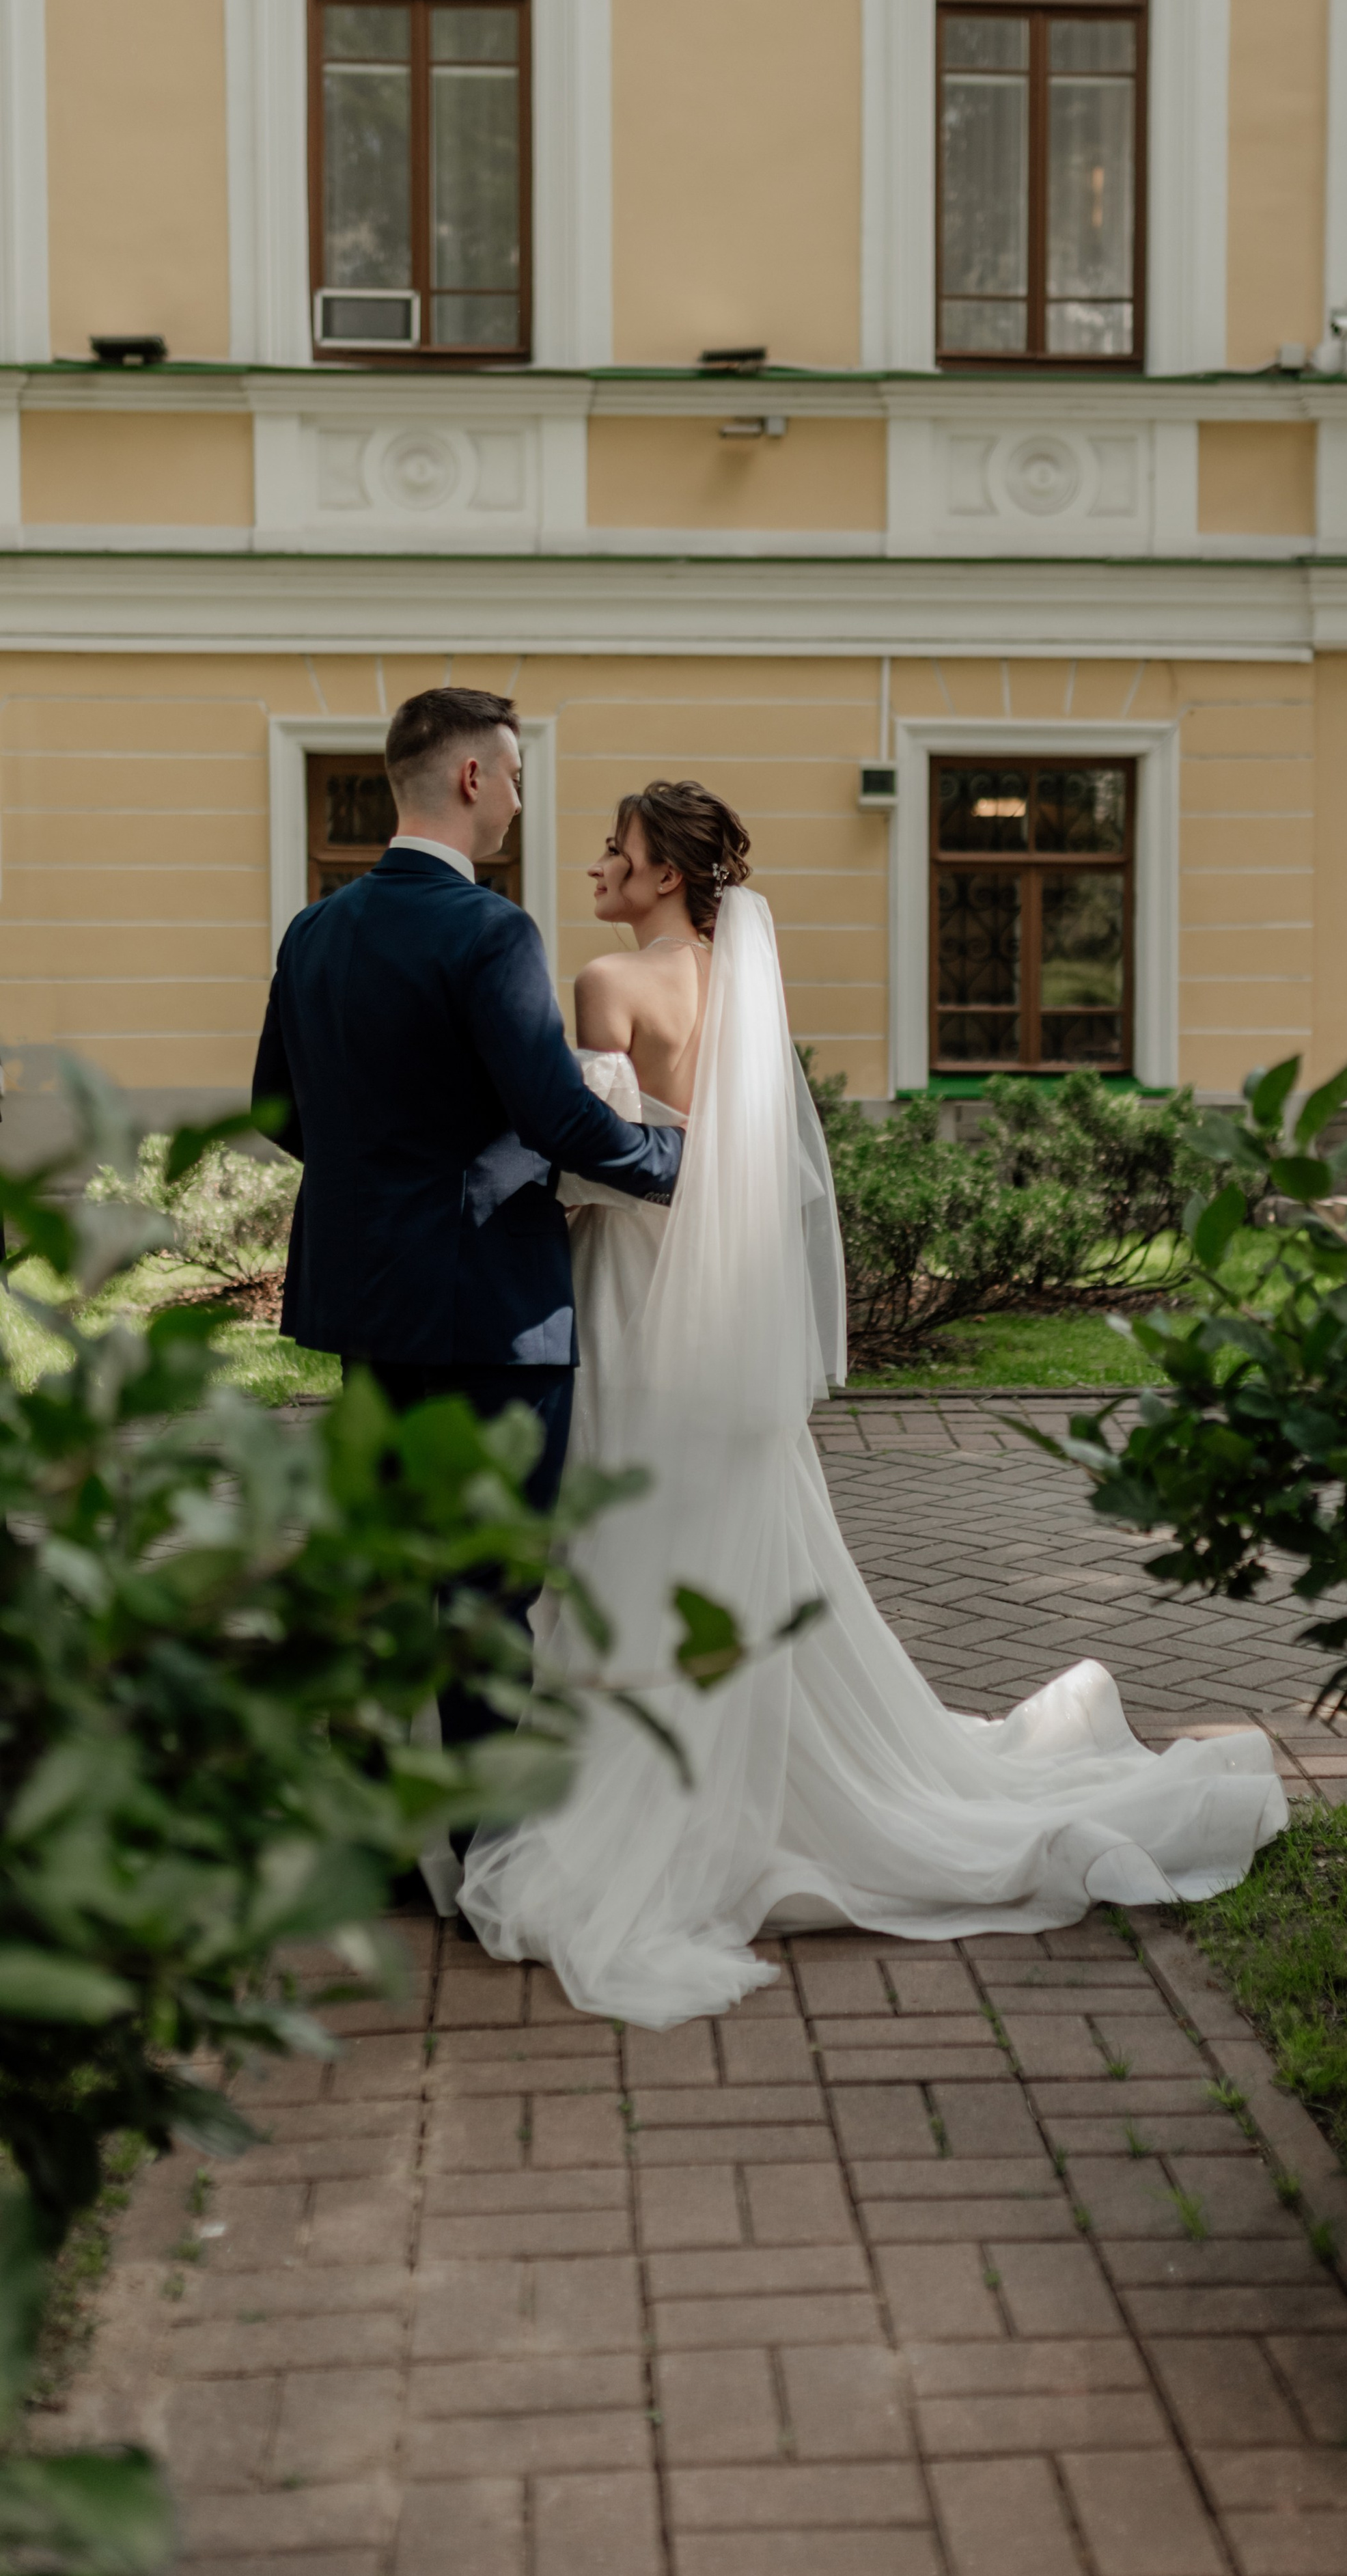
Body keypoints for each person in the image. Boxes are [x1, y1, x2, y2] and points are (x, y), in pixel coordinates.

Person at [460, 781, 1286, 2029]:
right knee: (728, 1539)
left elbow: (599, 1168)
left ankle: (649, 1789)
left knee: (626, 1531)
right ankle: (758, 1772)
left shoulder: (604, 987)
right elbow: (757, 1168)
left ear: (667, 877)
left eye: (616, 853)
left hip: (633, 1301)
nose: (595, 869)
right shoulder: (745, 993)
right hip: (724, 1314)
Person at [251, 689, 684, 1813]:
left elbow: (271, 1107)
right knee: (489, 1587)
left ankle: (388, 1839)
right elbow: (556, 1117)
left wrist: (375, 1176)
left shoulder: (313, 929)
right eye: (518, 775)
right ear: (473, 780)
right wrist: (680, 1168)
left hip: (364, 1298)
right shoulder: (491, 930)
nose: (522, 800)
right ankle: (492, 1852)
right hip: (493, 1309)